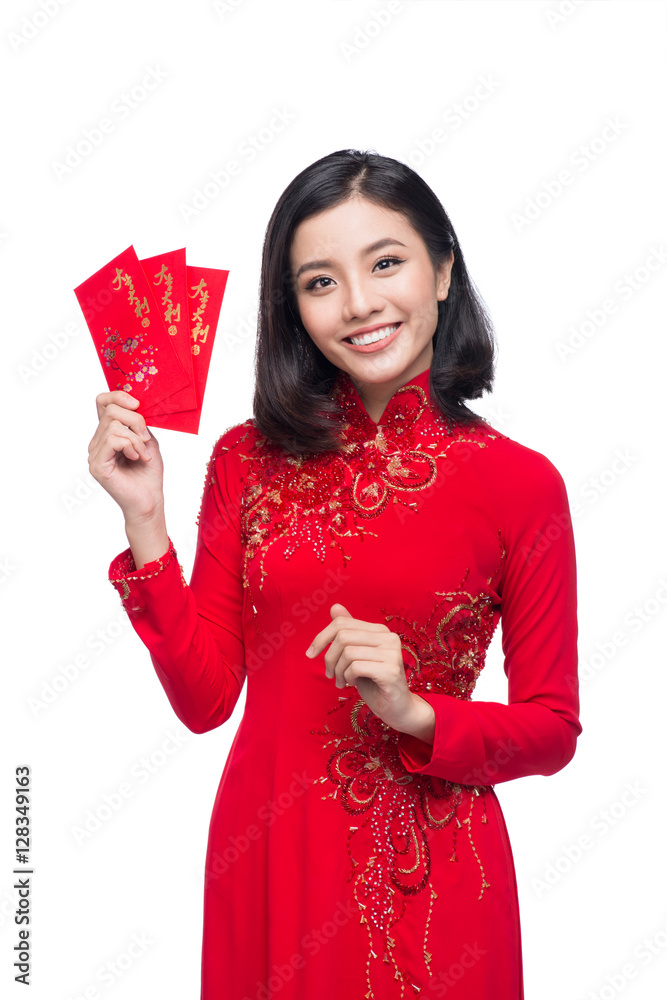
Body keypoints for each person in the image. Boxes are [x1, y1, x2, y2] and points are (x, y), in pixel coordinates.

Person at [88, 148, 581, 1000]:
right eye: (319, 282)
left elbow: (552, 728)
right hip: (265, 856)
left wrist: (415, 711)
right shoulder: (246, 458)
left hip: (428, 873)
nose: (358, 305)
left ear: (442, 270)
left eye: (384, 263)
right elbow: (204, 701)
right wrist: (144, 521)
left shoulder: (522, 483)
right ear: (294, 309)